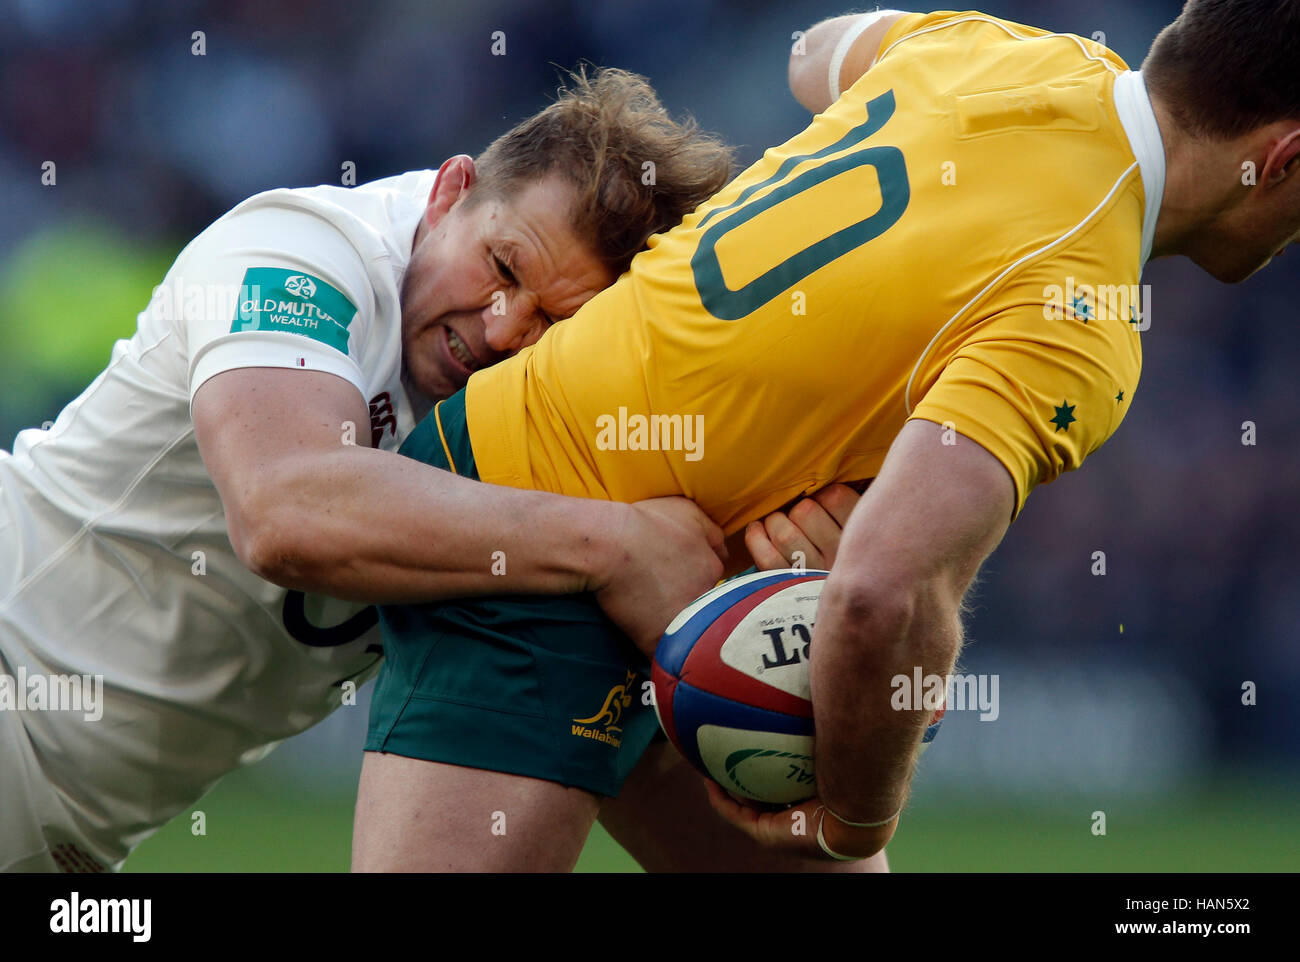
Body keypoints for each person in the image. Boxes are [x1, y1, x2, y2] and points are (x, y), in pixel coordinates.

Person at [355, 0, 1300, 870]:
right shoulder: (1081, 311)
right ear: (1287, 154)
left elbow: (812, 51)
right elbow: (884, 594)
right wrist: (853, 820)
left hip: (684, 579)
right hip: (532, 516)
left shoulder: (997, 52)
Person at [0, 67, 734, 873]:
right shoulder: (296, 251)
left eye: (555, 323)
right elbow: (286, 508)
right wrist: (615, 546)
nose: (501, 330)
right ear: (451, 193)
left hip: (70, 837)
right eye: (503, 267)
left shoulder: (576, 404)